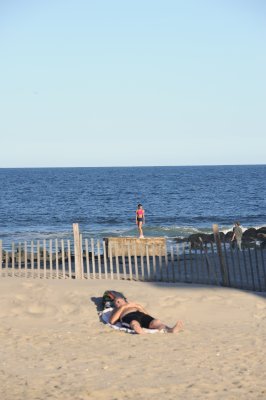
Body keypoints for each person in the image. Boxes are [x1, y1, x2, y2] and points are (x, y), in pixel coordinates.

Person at [109, 296, 184, 334]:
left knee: (156, 322)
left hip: (141, 314)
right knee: (134, 323)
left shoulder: (133, 305)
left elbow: (146, 314)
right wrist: (123, 307)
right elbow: (112, 321)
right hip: (128, 316)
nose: (118, 302)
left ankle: (170, 330)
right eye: (116, 302)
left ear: (124, 300)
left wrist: (138, 306)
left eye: (119, 300)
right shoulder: (116, 309)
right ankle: (141, 332)